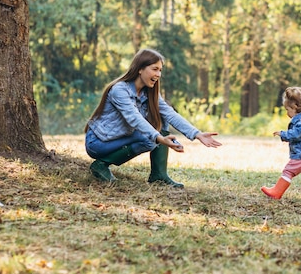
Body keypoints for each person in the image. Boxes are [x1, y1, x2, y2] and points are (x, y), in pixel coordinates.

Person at [85, 48, 221, 188]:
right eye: (155, 69)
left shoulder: (149, 93)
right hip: (98, 142)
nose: (158, 74)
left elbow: (170, 113)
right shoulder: (120, 90)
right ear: (140, 69)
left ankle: (159, 175)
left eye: (160, 70)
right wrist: (159, 138)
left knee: (162, 119)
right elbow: (134, 118)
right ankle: (101, 165)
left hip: (119, 138)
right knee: (149, 139)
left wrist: (197, 134)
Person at [261, 87, 301, 203]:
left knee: (288, 172)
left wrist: (283, 134)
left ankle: (276, 192)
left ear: (295, 107)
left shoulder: (300, 121)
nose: (287, 113)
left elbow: (296, 134)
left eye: (288, 109)